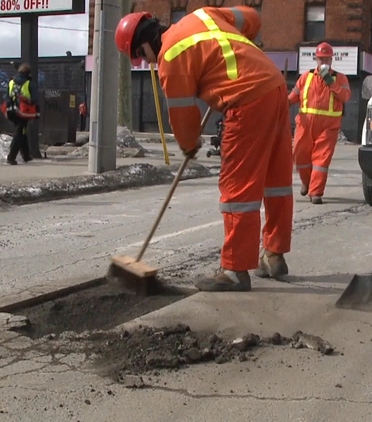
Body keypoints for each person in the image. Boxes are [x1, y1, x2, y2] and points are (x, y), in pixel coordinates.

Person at [114, 6, 294, 292]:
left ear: (145, 44)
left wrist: (188, 146)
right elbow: (253, 18)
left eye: (141, 56)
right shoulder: (202, 15)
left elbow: (184, 117)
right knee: (276, 181)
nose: (146, 62)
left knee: (239, 188)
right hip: (273, 85)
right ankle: (274, 255)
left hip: (245, 99)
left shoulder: (169, 58)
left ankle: (235, 270)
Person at [288, 42, 351, 204]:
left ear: (331, 59)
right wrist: (280, 104)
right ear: (316, 59)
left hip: (328, 127)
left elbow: (345, 97)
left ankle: (315, 192)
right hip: (305, 124)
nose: (323, 62)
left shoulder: (340, 78)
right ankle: (307, 183)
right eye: (321, 59)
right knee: (300, 156)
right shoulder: (305, 77)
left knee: (321, 160)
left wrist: (331, 83)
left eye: (327, 59)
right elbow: (293, 97)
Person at [3, 63, 40, 165]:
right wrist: (36, 110)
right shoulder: (29, 83)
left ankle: (26, 156)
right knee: (19, 133)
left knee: (22, 132)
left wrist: (7, 110)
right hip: (23, 112)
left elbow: (7, 97)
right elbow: (34, 99)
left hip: (11, 111)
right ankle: (11, 157)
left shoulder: (11, 82)